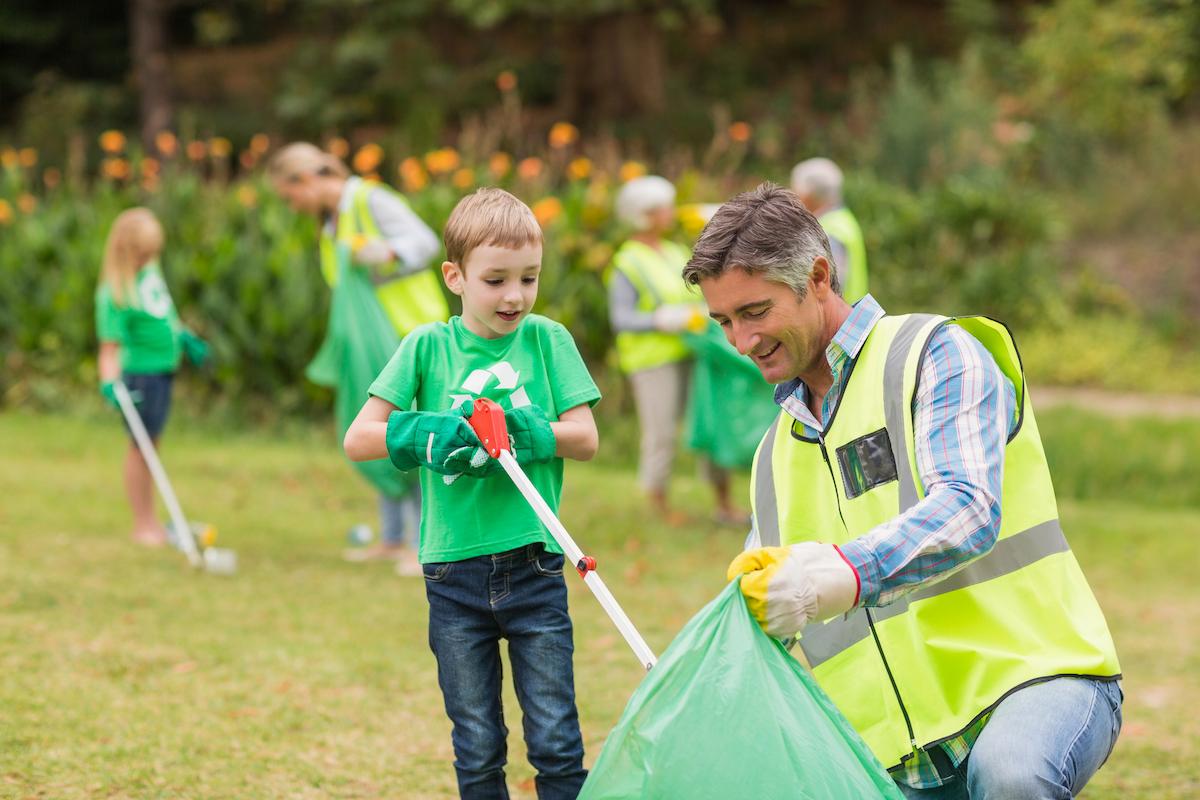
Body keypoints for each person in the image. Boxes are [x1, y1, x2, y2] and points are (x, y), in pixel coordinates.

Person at [683, 183, 1122, 799]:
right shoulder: (771, 458)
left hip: (1032, 682)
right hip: (897, 757)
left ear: (817, 276)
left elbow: (967, 506)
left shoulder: (936, 355)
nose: (741, 342)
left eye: (755, 312)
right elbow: (763, 609)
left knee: (1013, 777)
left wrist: (841, 573)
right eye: (724, 321)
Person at [344, 188, 600, 799]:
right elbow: (359, 438)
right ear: (455, 277)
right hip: (452, 571)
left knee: (557, 743)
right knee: (479, 746)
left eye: (529, 278)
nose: (514, 295)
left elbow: (585, 439)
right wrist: (421, 431)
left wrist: (524, 430)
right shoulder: (426, 346)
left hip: (534, 564)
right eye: (496, 280)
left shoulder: (547, 340)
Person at [268, 142, 448, 574]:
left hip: (409, 335)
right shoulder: (332, 220)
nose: (292, 207)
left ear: (307, 180)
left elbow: (425, 242)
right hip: (369, 346)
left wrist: (388, 253)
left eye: (291, 197)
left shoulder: (371, 200)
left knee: (413, 434)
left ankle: (422, 543)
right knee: (375, 433)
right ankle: (390, 537)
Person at [606, 175, 740, 525]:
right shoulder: (628, 262)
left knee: (712, 425)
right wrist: (661, 319)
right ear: (644, 214)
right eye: (663, 207)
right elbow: (621, 318)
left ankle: (724, 503)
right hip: (652, 362)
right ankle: (658, 507)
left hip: (693, 354)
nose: (671, 212)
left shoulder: (674, 252)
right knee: (661, 434)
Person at [95, 207, 210, 546]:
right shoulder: (113, 293)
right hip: (141, 379)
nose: (147, 259)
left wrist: (184, 336)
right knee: (140, 449)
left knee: (152, 447)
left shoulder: (149, 275)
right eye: (142, 254)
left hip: (163, 374)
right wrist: (109, 385)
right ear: (124, 251)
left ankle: (154, 521)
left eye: (151, 254)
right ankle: (142, 523)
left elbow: (163, 315)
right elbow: (109, 350)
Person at [791, 157, 869, 303]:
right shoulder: (843, 219)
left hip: (840, 323)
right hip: (853, 316)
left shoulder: (829, 230)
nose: (794, 197)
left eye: (795, 190)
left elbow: (831, 287)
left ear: (809, 194)